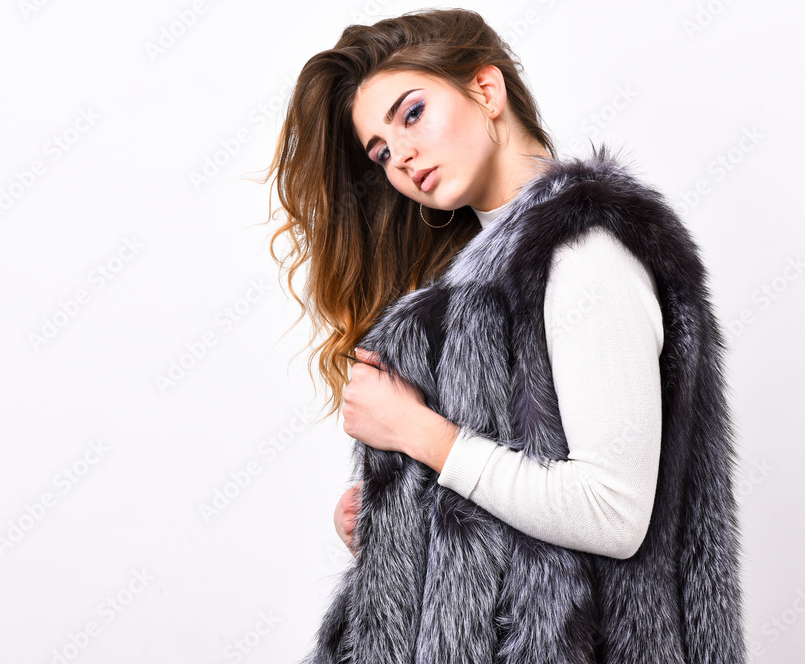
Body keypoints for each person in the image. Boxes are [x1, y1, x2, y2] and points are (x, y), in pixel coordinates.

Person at [262, 7, 746, 662]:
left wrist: (420, 435)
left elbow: (612, 512)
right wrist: (402, 523)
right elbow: (509, 499)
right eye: (380, 152)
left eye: (412, 114)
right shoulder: (471, 281)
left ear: (486, 90)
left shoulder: (583, 252)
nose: (400, 157)